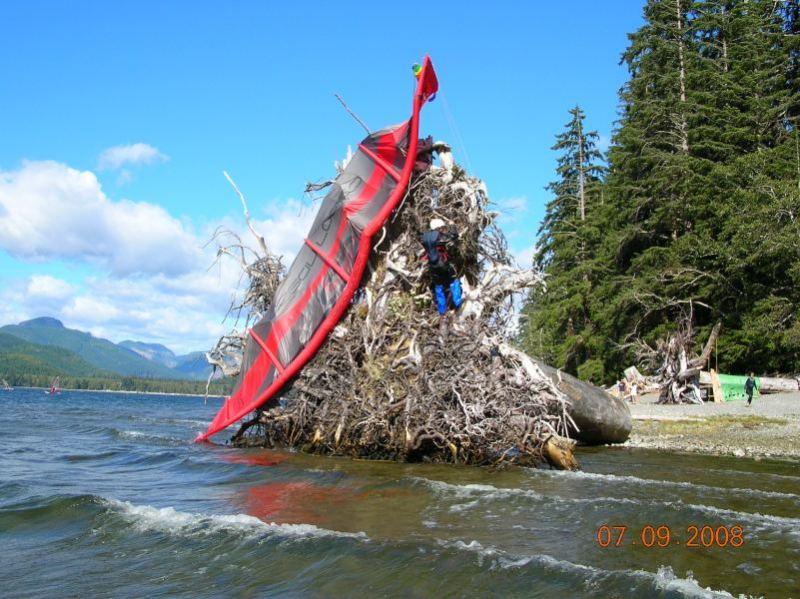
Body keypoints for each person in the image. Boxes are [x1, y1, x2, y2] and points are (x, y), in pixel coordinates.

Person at [420, 218, 463, 315]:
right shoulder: (439, 236)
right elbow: (453, 236)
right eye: (441, 228)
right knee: (454, 281)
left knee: (438, 286)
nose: (442, 229)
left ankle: (442, 311)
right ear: (438, 227)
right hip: (442, 264)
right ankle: (458, 303)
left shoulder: (424, 237)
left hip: (432, 266)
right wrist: (453, 226)